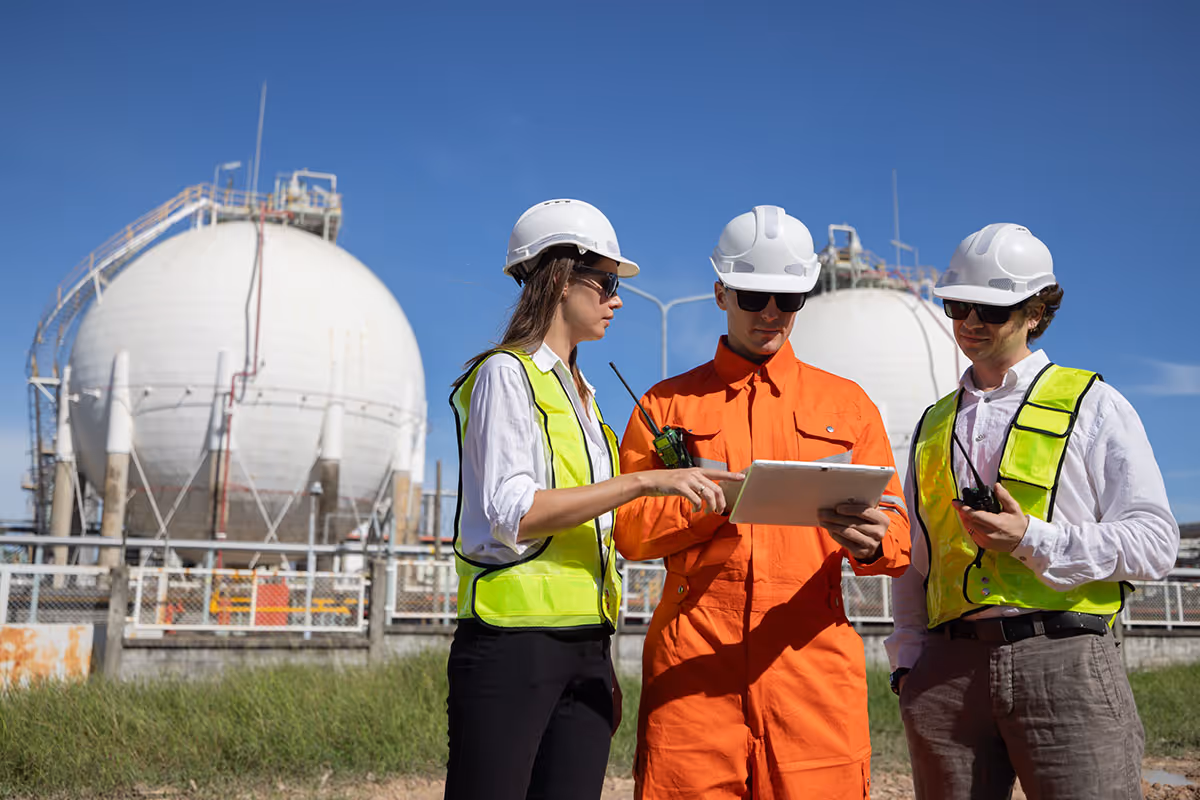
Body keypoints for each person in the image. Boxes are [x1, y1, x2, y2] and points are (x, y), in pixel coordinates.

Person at [444, 198, 742, 800]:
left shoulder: (585, 396)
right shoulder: (509, 373)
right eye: (606, 282)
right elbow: (516, 514)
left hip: (588, 645)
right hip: (512, 646)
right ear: (559, 277)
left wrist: (730, 491)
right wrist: (642, 481)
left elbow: (607, 525)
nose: (617, 298)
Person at [615, 205, 912, 799]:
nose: (771, 314)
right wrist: (711, 502)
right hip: (694, 659)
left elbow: (898, 533)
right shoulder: (666, 405)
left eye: (789, 299)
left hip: (810, 657)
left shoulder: (848, 405)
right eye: (753, 297)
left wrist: (875, 539)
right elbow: (630, 531)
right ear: (721, 292)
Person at [886, 223, 1181, 800]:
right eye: (957, 305)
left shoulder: (1092, 403)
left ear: (1035, 313)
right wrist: (909, 661)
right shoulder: (931, 425)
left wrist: (1033, 538)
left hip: (1067, 657)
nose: (969, 322)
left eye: (990, 309)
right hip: (948, 671)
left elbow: (1154, 544)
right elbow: (915, 559)